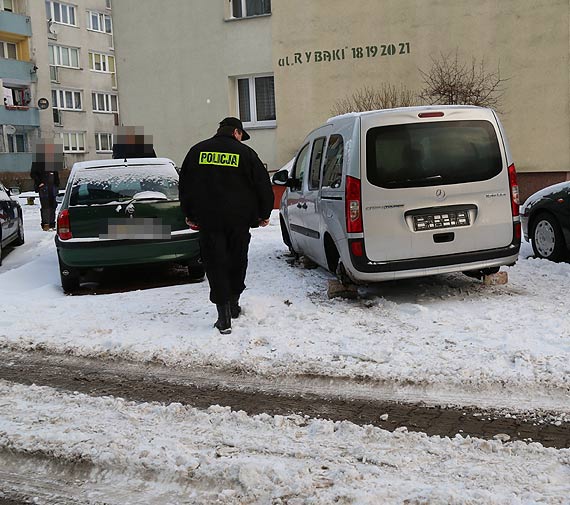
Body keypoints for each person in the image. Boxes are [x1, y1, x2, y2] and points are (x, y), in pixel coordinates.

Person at [178, 117, 274, 334]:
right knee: (237, 261)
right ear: (236, 133)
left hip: (209, 221)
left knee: (215, 264)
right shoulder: (246, 154)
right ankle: (233, 303)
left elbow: (185, 185)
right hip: (239, 221)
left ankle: (223, 317)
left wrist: (189, 213)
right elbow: (262, 184)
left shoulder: (197, 151)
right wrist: (263, 213)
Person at [30, 140, 63, 231]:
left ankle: (52, 224)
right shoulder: (38, 161)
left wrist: (57, 184)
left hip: (53, 187)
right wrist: (39, 182)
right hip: (44, 187)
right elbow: (33, 174)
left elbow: (56, 174)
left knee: (53, 205)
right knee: (45, 206)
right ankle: (46, 224)